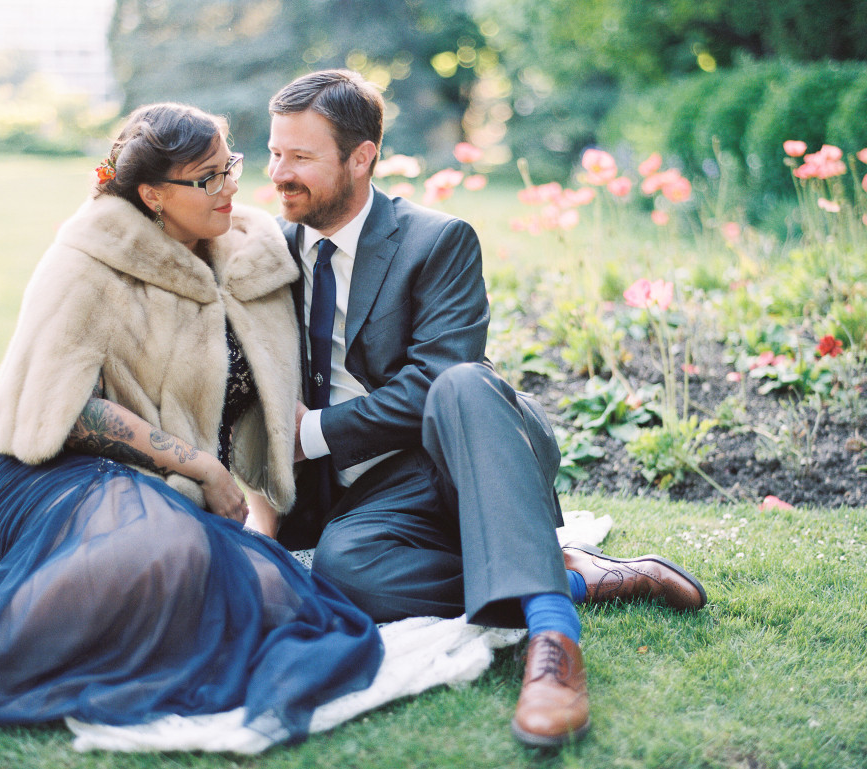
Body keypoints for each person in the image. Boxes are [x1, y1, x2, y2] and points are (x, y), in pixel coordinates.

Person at [266, 69, 708, 748]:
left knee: (462, 381)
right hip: (375, 492)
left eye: (300, 157)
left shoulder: (436, 239)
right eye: (274, 153)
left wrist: (313, 433)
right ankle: (571, 571)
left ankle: (553, 637)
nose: (279, 173)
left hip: (472, 444)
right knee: (343, 566)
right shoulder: (267, 252)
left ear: (362, 157)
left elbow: (434, 381)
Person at [0, 103, 383, 742]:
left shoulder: (253, 255)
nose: (230, 188)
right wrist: (194, 464)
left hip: (177, 498)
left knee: (275, 602)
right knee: (162, 551)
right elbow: (59, 407)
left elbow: (253, 417)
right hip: (62, 477)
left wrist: (260, 521)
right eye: (206, 179)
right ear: (152, 194)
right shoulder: (88, 259)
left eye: (229, 167)